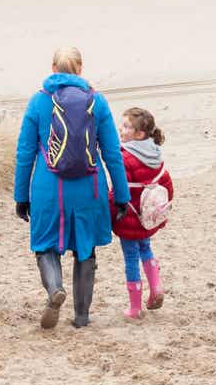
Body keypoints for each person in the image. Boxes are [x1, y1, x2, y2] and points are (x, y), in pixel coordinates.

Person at [14, 47, 132, 328]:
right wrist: (122, 195)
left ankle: (55, 289)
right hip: (89, 187)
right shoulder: (97, 102)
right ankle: (81, 316)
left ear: (53, 68)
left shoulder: (38, 102)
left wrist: (21, 195)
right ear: (80, 70)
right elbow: (112, 153)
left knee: (45, 245)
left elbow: (25, 153)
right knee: (86, 249)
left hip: (48, 187)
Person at [111, 107, 173, 320]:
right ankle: (156, 288)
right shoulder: (155, 153)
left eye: (126, 126)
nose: (121, 129)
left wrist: (111, 214)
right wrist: (162, 213)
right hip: (148, 216)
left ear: (139, 134)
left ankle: (135, 308)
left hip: (130, 216)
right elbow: (165, 182)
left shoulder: (124, 156)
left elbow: (119, 190)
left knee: (130, 258)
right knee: (146, 249)